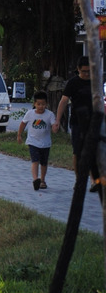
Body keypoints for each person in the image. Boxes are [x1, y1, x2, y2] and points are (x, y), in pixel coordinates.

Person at [52, 56, 99, 192]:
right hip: (77, 123)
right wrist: (57, 120)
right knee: (77, 152)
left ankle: (93, 180)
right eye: (84, 71)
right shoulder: (73, 83)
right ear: (78, 69)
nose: (86, 74)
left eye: (89, 71)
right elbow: (63, 101)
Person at [18, 91, 57, 190]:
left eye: (43, 104)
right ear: (34, 104)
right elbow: (23, 124)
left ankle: (42, 180)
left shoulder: (50, 114)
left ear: (46, 104)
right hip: (33, 142)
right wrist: (19, 135)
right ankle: (36, 179)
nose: (41, 106)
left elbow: (54, 126)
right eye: (38, 104)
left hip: (45, 143)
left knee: (44, 163)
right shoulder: (30, 114)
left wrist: (55, 128)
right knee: (35, 161)